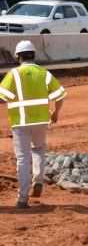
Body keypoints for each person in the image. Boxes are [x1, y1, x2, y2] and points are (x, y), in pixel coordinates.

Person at [0, 40, 66, 208]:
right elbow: (59, 96)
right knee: (38, 150)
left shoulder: (14, 74)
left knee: (22, 158)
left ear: (18, 56)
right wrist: (56, 112)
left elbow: (1, 99)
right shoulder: (44, 73)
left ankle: (22, 199)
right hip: (41, 120)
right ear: (33, 55)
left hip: (20, 122)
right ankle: (38, 181)